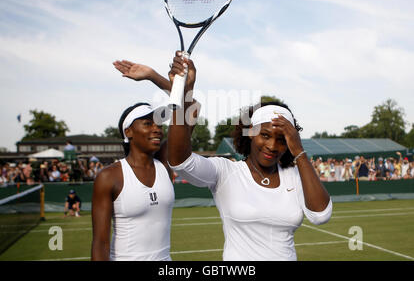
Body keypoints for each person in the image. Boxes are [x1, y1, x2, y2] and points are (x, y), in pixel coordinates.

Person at [167, 51, 332, 261]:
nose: (272, 145)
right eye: (264, 135)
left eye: (282, 139)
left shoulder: (294, 175)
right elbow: (180, 161)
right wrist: (184, 92)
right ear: (250, 133)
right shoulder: (226, 171)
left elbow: (321, 215)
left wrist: (298, 151)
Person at [92, 60, 200, 261]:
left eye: (159, 123)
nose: (157, 128)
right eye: (147, 123)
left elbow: (192, 109)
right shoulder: (109, 176)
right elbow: (100, 243)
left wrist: (155, 77)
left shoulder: (166, 163)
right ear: (128, 131)